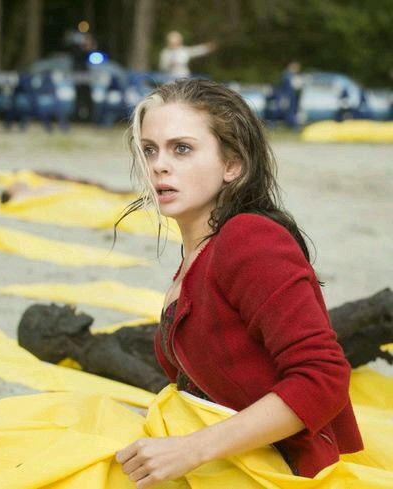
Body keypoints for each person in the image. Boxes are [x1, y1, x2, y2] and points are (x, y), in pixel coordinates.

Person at [114, 78, 363, 487]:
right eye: (149, 149)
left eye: (182, 149)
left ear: (233, 165)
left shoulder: (249, 239)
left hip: (275, 472)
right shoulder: (197, 254)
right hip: (223, 461)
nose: (159, 164)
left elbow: (323, 377)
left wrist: (192, 448)